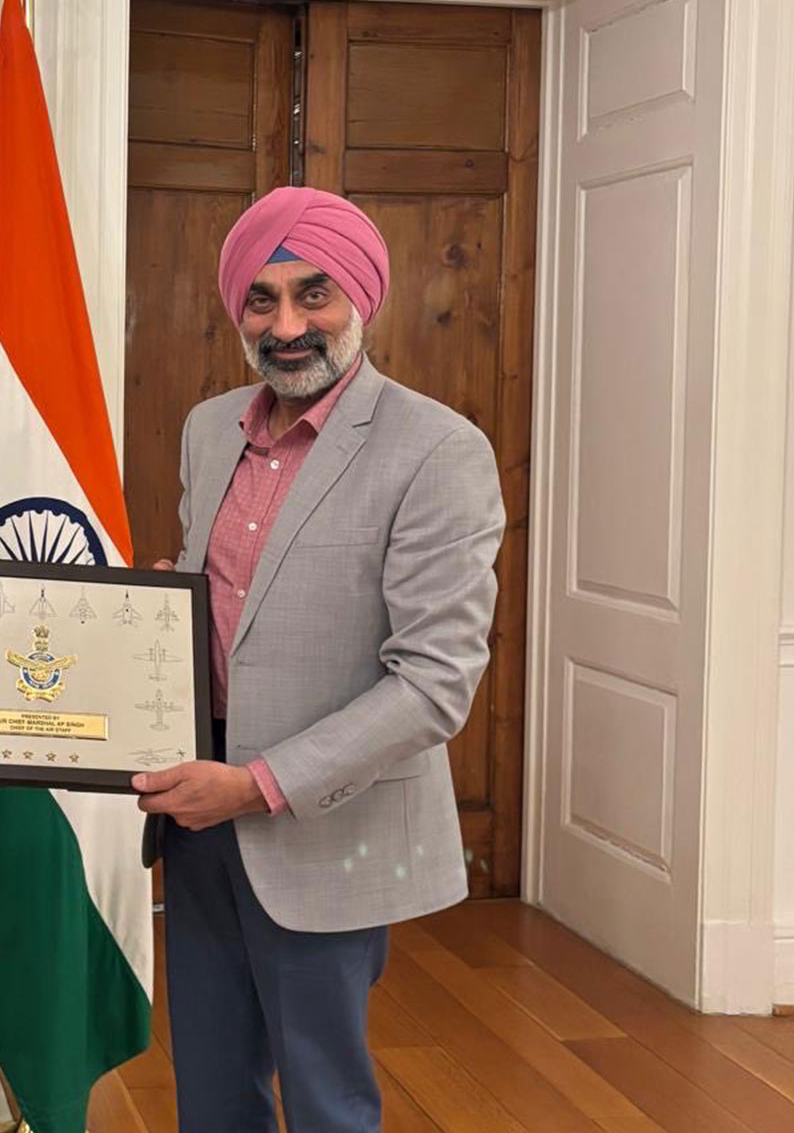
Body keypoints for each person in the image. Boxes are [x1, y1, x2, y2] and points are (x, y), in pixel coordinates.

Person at [134, 186, 505, 1133]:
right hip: (196, 806)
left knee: (329, 1099)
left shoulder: (438, 451)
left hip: (317, 821)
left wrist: (257, 786)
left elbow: (433, 685)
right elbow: (210, 592)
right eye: (262, 300)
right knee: (211, 1091)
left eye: (314, 294)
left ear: (362, 299)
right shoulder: (210, 427)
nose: (288, 325)